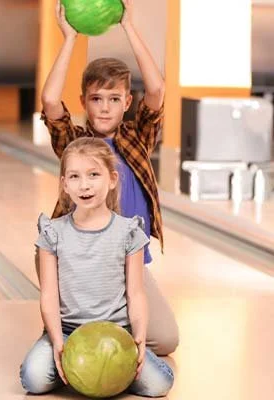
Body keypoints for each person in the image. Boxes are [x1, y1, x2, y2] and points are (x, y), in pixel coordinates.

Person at [39, 0, 178, 355]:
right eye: (96, 98)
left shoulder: (137, 138)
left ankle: (112, 320)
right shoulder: (75, 143)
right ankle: (73, 326)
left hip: (131, 261)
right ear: (84, 101)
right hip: (80, 263)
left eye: (114, 99)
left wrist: (129, 26)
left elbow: (158, 91)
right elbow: (51, 100)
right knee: (82, 337)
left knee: (166, 339)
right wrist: (68, 38)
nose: (104, 107)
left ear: (127, 102)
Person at [19, 138, 174, 397]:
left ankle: (106, 370)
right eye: (75, 176)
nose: (85, 184)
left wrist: (139, 337)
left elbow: (136, 294)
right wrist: (57, 340)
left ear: (112, 179)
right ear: (64, 185)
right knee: (32, 380)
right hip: (68, 332)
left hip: (116, 334)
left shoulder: (128, 232)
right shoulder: (52, 232)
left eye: (94, 175)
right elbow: (48, 294)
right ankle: (76, 368)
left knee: (159, 385)